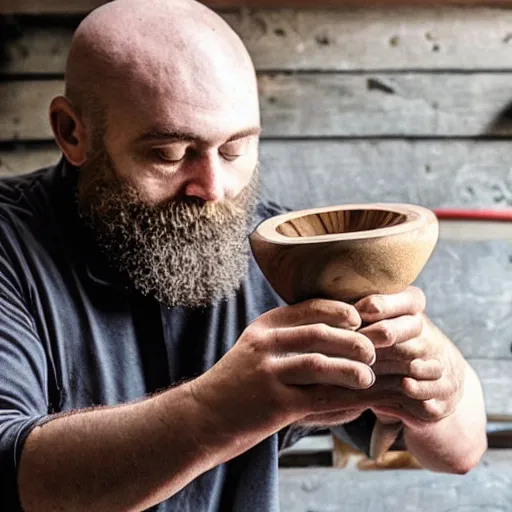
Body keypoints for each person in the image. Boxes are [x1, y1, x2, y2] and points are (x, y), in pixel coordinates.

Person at [0, 0, 487, 510]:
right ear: (72, 133)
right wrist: (222, 409)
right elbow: (18, 480)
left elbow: (460, 449)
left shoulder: (284, 253)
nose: (214, 188)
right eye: (169, 153)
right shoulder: (13, 245)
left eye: (235, 149)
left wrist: (436, 375)